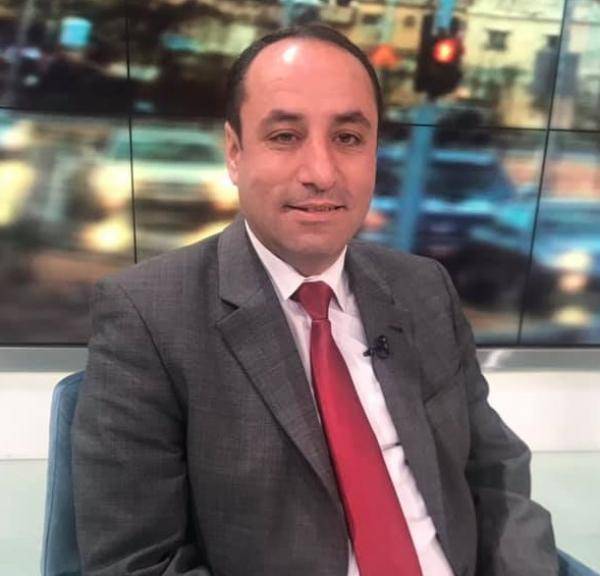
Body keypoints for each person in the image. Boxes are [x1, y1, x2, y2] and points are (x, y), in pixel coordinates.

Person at [72, 24, 559, 576]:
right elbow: (139, 564)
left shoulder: (424, 288)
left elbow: (496, 475)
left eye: (348, 138)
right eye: (285, 136)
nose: (321, 173)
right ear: (235, 152)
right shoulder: (147, 316)